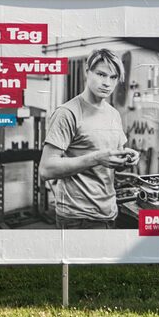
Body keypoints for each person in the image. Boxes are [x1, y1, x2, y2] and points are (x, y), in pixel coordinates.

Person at [39, 48, 138, 229]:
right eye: (101, 74)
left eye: (113, 77)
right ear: (87, 72)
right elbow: (46, 170)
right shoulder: (67, 113)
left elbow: (112, 160)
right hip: (77, 216)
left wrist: (126, 158)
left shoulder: (114, 114)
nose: (107, 83)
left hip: (108, 211)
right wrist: (96, 158)